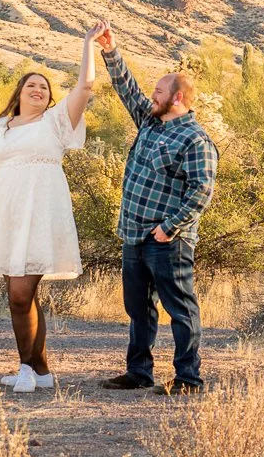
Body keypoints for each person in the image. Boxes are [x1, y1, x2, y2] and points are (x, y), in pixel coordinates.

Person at [0, 22, 106, 394]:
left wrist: (88, 43)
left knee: (20, 294)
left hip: (41, 214)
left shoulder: (57, 122)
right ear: (19, 93)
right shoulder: (0, 129)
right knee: (21, 295)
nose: (38, 89)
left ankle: (27, 368)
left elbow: (85, 86)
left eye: (44, 86)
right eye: (31, 85)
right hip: (5, 215)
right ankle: (39, 371)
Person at [93, 23, 218, 394]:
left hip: (167, 240)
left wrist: (170, 227)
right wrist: (111, 50)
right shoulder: (150, 122)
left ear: (177, 98)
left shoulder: (195, 139)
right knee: (139, 310)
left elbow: (202, 190)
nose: (152, 94)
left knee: (180, 310)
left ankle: (188, 379)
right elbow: (126, 89)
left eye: (159, 91)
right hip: (133, 234)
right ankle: (139, 373)